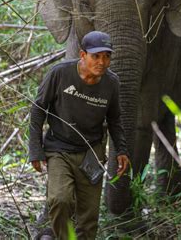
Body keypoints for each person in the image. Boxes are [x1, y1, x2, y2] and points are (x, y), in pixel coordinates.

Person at [29, 31, 129, 240]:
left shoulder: (111, 83)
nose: (102, 62)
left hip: (91, 152)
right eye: (96, 56)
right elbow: (38, 110)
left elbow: (115, 119)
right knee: (60, 199)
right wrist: (35, 150)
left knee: (88, 216)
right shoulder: (60, 73)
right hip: (59, 149)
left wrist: (121, 150)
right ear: (83, 55)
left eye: (107, 56)